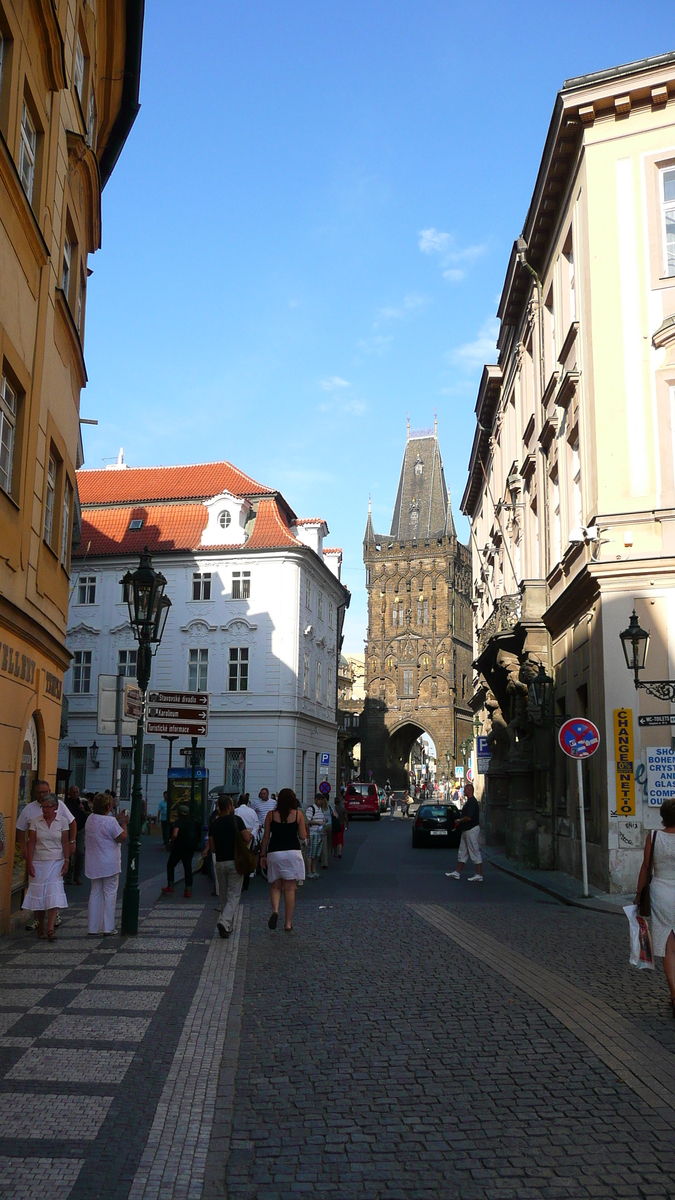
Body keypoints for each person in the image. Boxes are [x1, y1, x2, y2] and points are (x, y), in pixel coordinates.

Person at [635, 797, 675, 1016]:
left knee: (669, 948)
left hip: (661, 892)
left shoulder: (654, 836)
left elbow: (645, 867)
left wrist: (638, 893)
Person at [17, 780, 75, 931]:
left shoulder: (60, 809)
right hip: (38, 857)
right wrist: (24, 848)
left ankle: (51, 926)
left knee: (53, 890)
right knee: (38, 891)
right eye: (39, 793)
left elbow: (71, 825)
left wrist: (72, 844)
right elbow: (21, 830)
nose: (42, 795)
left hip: (56, 858)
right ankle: (39, 922)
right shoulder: (30, 811)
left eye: (45, 792)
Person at [260, 788, 307, 931]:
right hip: (292, 852)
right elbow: (303, 836)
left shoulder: (271, 815)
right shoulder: (298, 815)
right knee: (289, 888)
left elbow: (266, 837)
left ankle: (275, 911)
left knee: (275, 886)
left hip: (275, 852)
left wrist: (262, 855)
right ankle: (287, 923)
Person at [84, 793, 128, 935]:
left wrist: (116, 819)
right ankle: (108, 927)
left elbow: (102, 825)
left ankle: (93, 927)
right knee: (110, 893)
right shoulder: (110, 822)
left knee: (95, 892)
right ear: (108, 807)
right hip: (109, 863)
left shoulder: (90, 819)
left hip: (93, 862)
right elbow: (121, 837)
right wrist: (124, 823)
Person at [209, 796, 251, 938]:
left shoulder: (214, 824)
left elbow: (213, 848)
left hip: (220, 862)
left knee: (223, 895)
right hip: (235, 862)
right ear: (229, 807)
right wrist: (249, 835)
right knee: (234, 895)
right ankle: (224, 921)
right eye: (232, 805)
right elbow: (246, 838)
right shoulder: (236, 820)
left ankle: (227, 926)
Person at [446, 783, 482, 882]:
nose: (464, 791)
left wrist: (459, 821)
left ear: (470, 790)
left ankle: (479, 874)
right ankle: (457, 872)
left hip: (471, 829)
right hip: (466, 829)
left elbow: (468, 817)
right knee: (462, 851)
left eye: (465, 789)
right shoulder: (470, 802)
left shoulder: (472, 802)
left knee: (474, 851)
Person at [162, 803, 197, 897]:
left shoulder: (178, 822)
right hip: (189, 848)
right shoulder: (191, 822)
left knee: (171, 865)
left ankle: (170, 886)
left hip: (179, 847)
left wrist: (171, 840)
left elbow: (174, 834)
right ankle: (188, 890)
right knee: (188, 867)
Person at [305, 794, 326, 879]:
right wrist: (318, 823)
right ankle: (309, 872)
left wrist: (323, 822)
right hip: (313, 833)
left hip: (319, 834)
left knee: (316, 854)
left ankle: (314, 871)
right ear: (315, 800)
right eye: (319, 799)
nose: (320, 801)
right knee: (311, 854)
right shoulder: (311, 809)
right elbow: (307, 821)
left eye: (321, 800)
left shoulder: (320, 809)